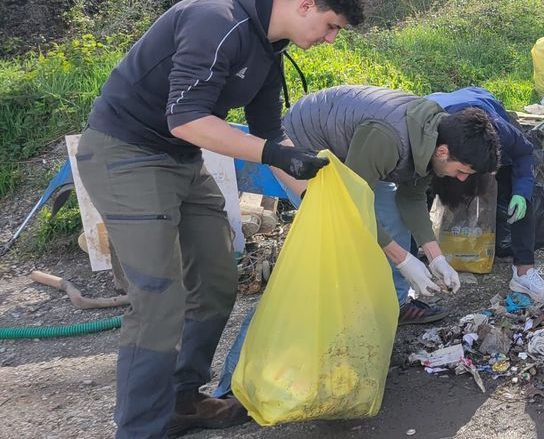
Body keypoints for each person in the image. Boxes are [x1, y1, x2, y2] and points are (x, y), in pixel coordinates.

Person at [73, 0, 366, 438]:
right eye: (332, 26)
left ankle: (183, 399)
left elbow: (271, 136)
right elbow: (186, 119)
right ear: (307, 5)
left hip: (182, 161)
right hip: (125, 155)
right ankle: (141, 429)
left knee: (215, 280)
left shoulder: (269, 50)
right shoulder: (216, 20)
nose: (330, 38)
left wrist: (317, 197)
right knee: (158, 300)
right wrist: (275, 152)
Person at [209, 85, 502, 404]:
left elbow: (412, 195)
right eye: (462, 172)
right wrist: (403, 260)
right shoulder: (389, 139)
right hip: (302, 146)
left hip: (352, 152)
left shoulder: (433, 135)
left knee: (391, 222)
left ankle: (391, 308)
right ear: (445, 152)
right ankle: (233, 382)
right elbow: (352, 209)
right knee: (332, 254)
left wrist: (434, 257)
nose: (461, 179)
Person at [428, 87, 544, 302]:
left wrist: (520, 193)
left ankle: (524, 273)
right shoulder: (428, 132)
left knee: (520, 191)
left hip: (483, 109)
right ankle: (416, 259)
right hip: (443, 131)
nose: (463, 178)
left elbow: (524, 153)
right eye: (462, 171)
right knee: (421, 187)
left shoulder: (497, 130)